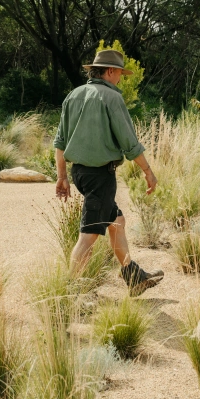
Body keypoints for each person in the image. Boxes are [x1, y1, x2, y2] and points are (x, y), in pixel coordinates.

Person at [53, 49, 164, 297]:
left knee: (117, 221)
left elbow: (59, 142)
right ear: (110, 71)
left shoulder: (73, 95)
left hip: (79, 174)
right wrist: (148, 171)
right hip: (100, 176)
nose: (120, 80)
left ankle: (133, 276)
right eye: (120, 74)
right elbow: (129, 142)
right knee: (89, 236)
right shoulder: (111, 99)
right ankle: (68, 295)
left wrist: (62, 177)